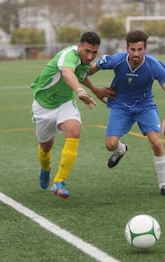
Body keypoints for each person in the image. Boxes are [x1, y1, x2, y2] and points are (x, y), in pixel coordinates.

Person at [87, 30, 165, 197]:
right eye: (133, 50)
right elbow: (88, 70)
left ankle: (164, 184)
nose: (136, 54)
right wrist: (91, 87)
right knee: (110, 145)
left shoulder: (153, 65)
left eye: (140, 49)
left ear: (145, 49)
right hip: (120, 105)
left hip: (145, 106)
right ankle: (121, 149)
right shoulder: (116, 60)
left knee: (157, 143)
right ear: (127, 48)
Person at [30, 31, 107, 199]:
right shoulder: (68, 55)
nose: (90, 56)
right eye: (86, 51)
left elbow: (82, 75)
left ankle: (59, 181)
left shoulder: (85, 61)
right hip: (43, 107)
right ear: (79, 46)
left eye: (94, 52)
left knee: (74, 130)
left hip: (64, 103)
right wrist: (79, 91)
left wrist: (95, 90)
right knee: (45, 146)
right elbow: (67, 72)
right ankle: (45, 168)